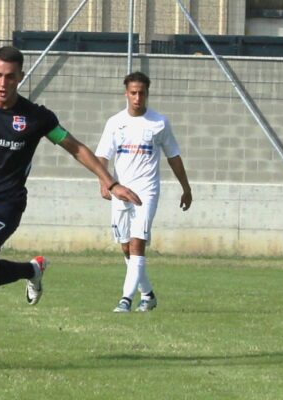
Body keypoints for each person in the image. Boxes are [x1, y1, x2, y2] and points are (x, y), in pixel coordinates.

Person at [0, 46, 141, 361]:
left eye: (9, 76)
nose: (3, 82)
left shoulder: (36, 117)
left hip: (8, 204)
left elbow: (74, 147)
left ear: (20, 77)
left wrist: (109, 180)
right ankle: (31, 270)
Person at [95, 71, 192, 312]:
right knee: (126, 246)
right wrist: (104, 183)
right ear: (126, 94)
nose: (138, 97)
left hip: (146, 192)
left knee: (138, 244)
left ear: (147, 94)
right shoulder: (115, 122)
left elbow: (174, 156)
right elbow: (102, 156)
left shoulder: (159, 122)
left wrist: (186, 188)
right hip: (120, 191)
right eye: (133, 93)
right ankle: (147, 295)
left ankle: (125, 300)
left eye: (142, 93)